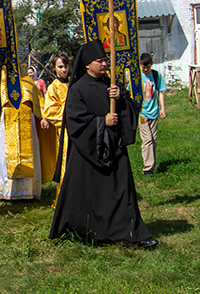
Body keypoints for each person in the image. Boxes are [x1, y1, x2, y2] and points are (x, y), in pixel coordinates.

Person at [48, 41, 157, 248]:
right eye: (100, 61)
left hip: (114, 149)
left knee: (122, 192)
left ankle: (130, 232)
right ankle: (91, 230)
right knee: (91, 196)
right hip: (88, 152)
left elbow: (132, 109)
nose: (105, 64)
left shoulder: (112, 85)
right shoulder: (77, 90)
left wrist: (121, 98)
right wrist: (101, 122)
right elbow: (75, 121)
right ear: (87, 64)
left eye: (105, 60)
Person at [0, 65, 46, 201]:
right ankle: (6, 191)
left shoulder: (27, 81)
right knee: (3, 155)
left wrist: (43, 117)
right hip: (5, 123)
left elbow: (38, 99)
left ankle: (28, 191)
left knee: (30, 153)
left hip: (27, 123)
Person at [41, 54, 71, 205]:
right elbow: (50, 112)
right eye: (60, 67)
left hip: (79, 129)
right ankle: (64, 200)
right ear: (53, 68)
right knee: (66, 163)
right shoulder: (53, 87)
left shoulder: (73, 83)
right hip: (65, 131)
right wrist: (70, 114)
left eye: (66, 66)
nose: (64, 70)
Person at [139, 52, 166, 175]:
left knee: (153, 140)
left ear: (152, 64)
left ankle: (151, 164)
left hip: (154, 112)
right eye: (143, 67)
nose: (145, 69)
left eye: (147, 67)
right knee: (147, 139)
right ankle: (147, 168)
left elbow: (160, 92)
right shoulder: (137, 77)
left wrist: (162, 108)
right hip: (142, 113)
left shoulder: (156, 75)